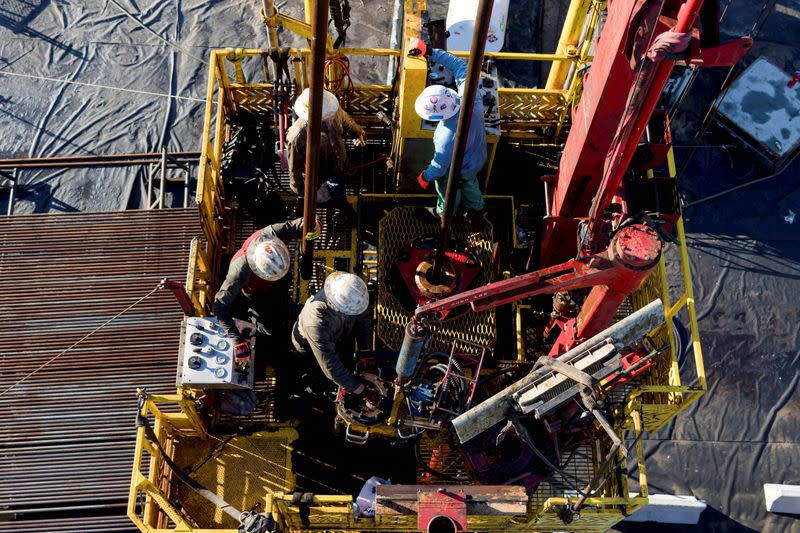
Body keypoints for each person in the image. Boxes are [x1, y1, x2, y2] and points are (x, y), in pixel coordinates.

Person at [213, 217, 319, 367]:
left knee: (290, 309)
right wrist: (237, 340)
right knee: (268, 328)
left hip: (280, 281)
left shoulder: (274, 233)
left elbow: (306, 221)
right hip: (259, 295)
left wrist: (316, 226)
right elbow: (219, 307)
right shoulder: (239, 272)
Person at [410, 39, 487, 221]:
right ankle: (476, 213)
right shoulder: (471, 100)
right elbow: (461, 67)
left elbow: (439, 166)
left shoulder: (446, 136)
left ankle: (445, 212)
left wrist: (426, 177)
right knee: (470, 183)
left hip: (456, 169)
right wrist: (429, 51)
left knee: (447, 188)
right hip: (477, 158)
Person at [291, 271, 373, 395]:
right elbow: (330, 364)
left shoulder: (353, 294)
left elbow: (363, 320)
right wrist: (360, 390)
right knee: (318, 385)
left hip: (339, 335)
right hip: (312, 350)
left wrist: (365, 352)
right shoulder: (315, 321)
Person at [286, 88, 366, 204]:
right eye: (328, 115)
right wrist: (301, 191)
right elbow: (295, 168)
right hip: (317, 174)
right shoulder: (297, 137)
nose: (332, 116)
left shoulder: (333, 110)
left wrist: (358, 132)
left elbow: (346, 121)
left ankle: (339, 201)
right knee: (312, 197)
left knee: (338, 190)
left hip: (338, 166)